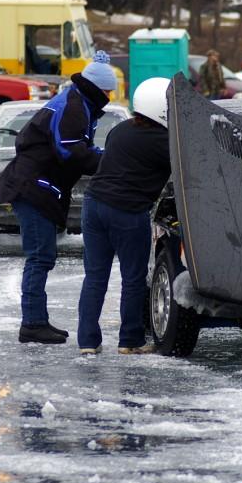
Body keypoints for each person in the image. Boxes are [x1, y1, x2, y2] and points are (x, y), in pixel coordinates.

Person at [0, 51, 116, 345]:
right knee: (40, 257)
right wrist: (110, 160)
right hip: (33, 188)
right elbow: (70, 151)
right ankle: (32, 324)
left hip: (37, 186)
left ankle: (37, 320)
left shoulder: (78, 101)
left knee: (42, 257)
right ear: (98, 88)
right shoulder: (74, 106)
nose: (110, 96)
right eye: (109, 91)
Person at [77, 77, 172, 356]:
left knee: (94, 277)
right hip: (127, 212)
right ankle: (130, 340)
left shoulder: (120, 129)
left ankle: (87, 341)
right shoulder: (165, 141)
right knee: (133, 278)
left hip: (93, 205)